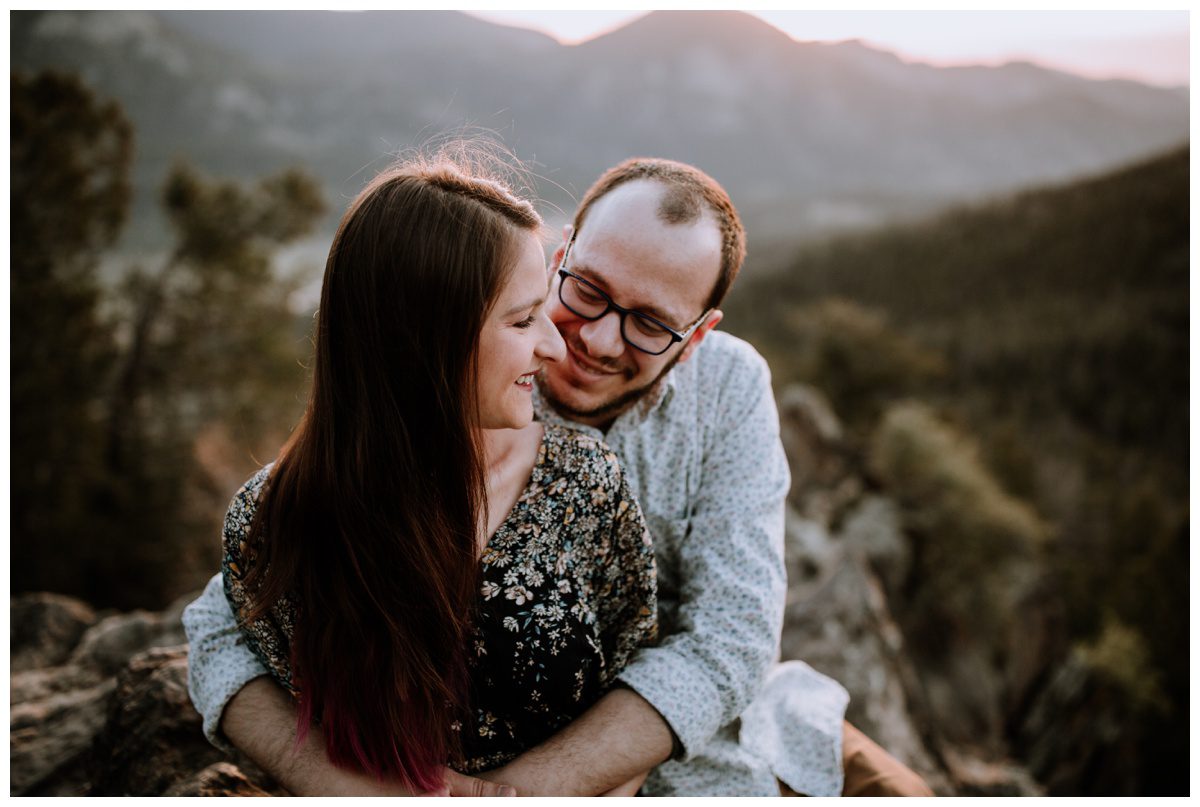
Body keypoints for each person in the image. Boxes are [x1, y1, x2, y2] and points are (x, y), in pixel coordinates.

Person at [184, 157, 933, 796]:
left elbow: (736, 635)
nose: (595, 341)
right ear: (560, 252)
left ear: (699, 334)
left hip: (751, 731)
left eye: (649, 323)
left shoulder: (731, 388)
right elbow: (236, 607)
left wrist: (521, 793)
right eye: (587, 291)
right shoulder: (475, 368)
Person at [193, 152, 659, 796]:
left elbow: (633, 685)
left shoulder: (584, 484)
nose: (554, 346)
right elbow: (254, 674)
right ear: (428, 339)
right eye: (523, 320)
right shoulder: (277, 521)